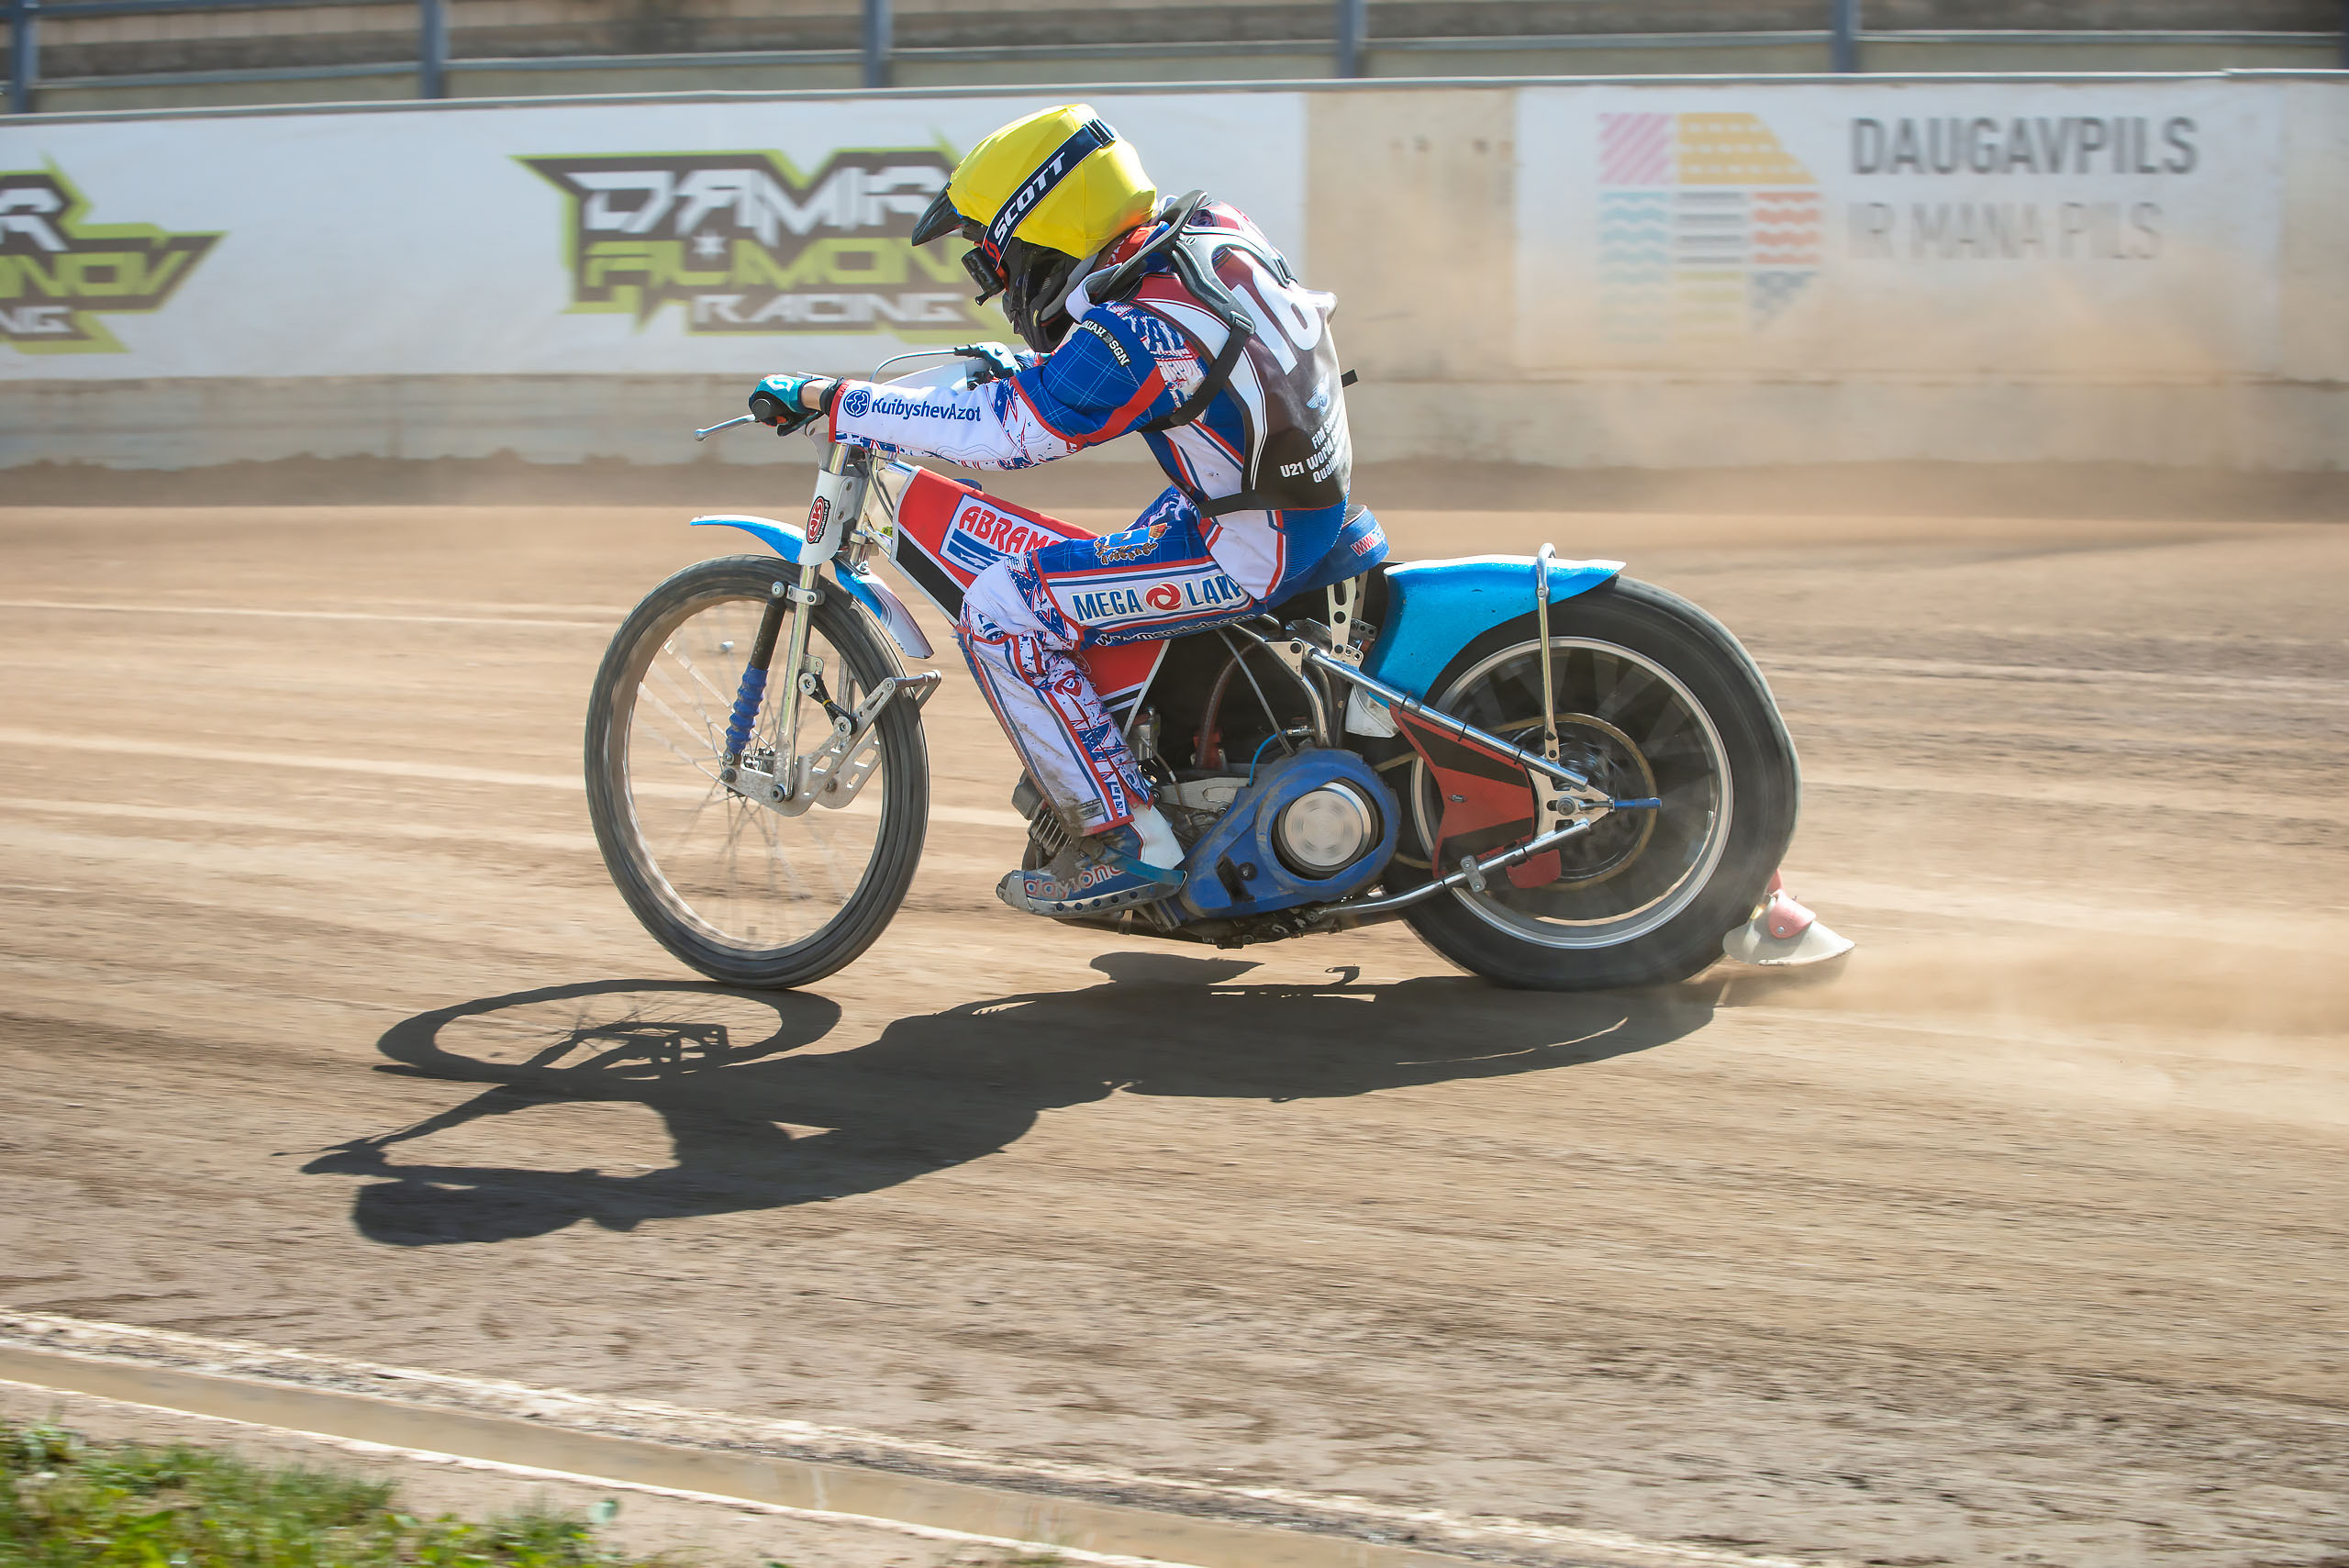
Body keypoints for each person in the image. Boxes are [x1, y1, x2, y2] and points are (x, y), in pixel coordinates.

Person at [750, 103, 1358, 918]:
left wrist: (839, 403)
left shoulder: (1138, 327)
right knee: (1090, 563)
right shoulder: (1209, 232)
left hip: (1250, 544)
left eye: (997, 263)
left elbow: (1015, 434)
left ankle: (1125, 839)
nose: (1000, 286)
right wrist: (1024, 365)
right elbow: (1127, 376)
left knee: (1004, 607)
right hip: (1271, 502)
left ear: (1041, 228)